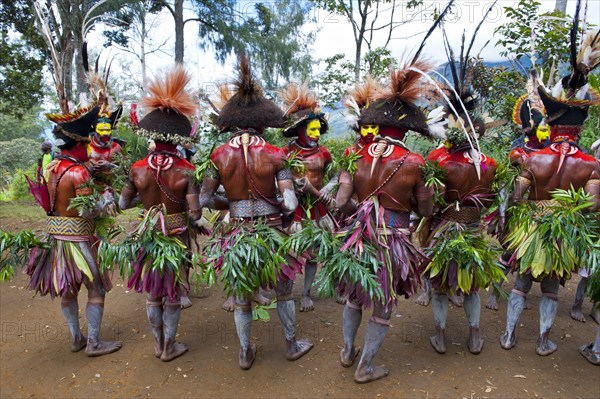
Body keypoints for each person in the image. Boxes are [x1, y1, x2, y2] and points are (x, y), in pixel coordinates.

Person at [198, 55, 313, 370]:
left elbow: (205, 198)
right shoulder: (276, 154)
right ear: (264, 122)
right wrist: (283, 202)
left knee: (243, 296)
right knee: (284, 292)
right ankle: (291, 345)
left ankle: (246, 351)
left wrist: (232, 204)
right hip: (272, 231)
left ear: (234, 122)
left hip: (237, 234)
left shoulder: (218, 155)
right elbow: (289, 203)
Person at [500, 27, 600, 356]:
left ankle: (509, 335)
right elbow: (591, 206)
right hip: (561, 233)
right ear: (580, 126)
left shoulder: (534, 158)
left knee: (521, 283)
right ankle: (543, 341)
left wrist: (527, 213)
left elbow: (517, 197)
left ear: (551, 124)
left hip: (532, 227)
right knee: (552, 289)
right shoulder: (589, 165)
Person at [334, 63, 434, 383]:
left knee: (353, 296)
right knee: (382, 305)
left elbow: (340, 203)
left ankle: (348, 351)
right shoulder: (416, 163)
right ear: (406, 130)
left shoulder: (354, 154)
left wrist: (361, 208)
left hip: (359, 239)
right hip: (393, 241)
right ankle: (365, 366)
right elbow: (427, 210)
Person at [118, 66, 202, 361]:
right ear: (179, 139)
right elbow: (194, 214)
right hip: (177, 237)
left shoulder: (137, 169)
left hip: (148, 234)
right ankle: (170, 345)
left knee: (153, 293)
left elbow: (122, 204)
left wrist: (146, 201)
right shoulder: (186, 170)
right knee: (175, 292)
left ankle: (158, 345)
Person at [26, 103, 122, 357]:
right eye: (86, 147)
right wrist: (108, 195)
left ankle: (76, 337)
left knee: (67, 291)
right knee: (96, 290)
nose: (89, 151)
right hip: (79, 239)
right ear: (79, 146)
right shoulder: (78, 172)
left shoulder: (51, 169)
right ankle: (94, 343)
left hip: (57, 238)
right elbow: (89, 210)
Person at [424, 86, 501, 355]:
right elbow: (489, 200)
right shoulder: (490, 163)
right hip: (472, 228)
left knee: (440, 285)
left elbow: (434, 202)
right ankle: (475, 336)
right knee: (472, 285)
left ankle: (441, 337)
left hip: (445, 226)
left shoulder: (438, 160)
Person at [281, 82, 336, 312]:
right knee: (292, 252)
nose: (316, 134)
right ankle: (287, 293)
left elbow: (335, 177)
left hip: (318, 209)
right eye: (311, 130)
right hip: (294, 210)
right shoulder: (286, 153)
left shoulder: (324, 153)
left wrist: (327, 188)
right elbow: (279, 179)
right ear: (300, 130)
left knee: (313, 254)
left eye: (317, 130)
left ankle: (306, 293)